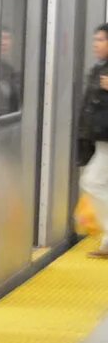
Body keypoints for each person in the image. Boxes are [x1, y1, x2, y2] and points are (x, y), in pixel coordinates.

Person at [79, 26, 108, 257]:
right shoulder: (99, 68)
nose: (95, 44)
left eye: (100, 39)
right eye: (95, 39)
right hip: (102, 138)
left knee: (92, 182)